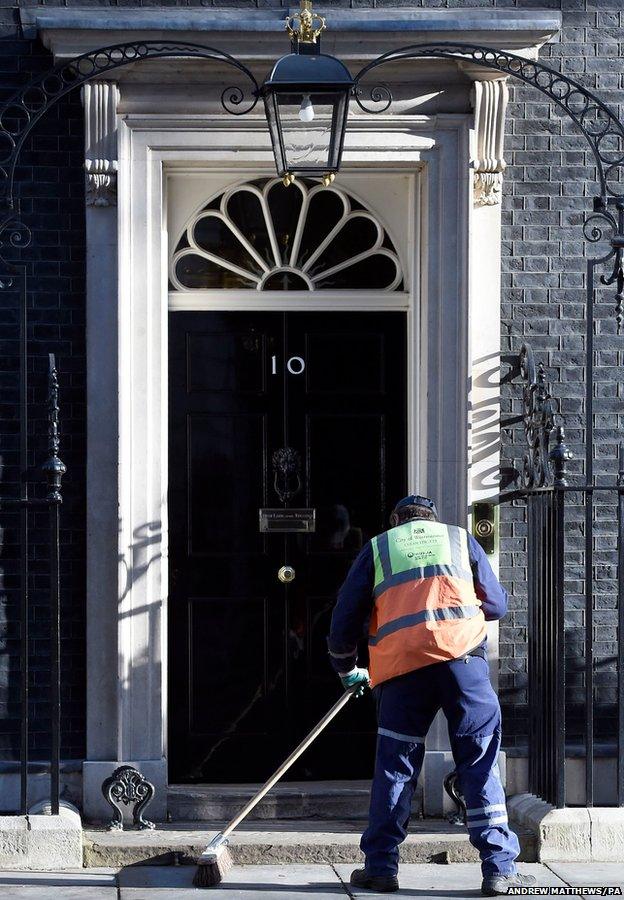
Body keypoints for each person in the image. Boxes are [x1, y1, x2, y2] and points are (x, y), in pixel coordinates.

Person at [327, 494, 536, 897]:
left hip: (404, 672)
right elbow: (496, 605)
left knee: (396, 767)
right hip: (463, 665)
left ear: (396, 520)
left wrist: (346, 667)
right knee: (479, 762)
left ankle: (381, 868)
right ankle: (498, 869)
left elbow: (345, 615)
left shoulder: (380, 546)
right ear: (432, 519)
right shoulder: (459, 540)